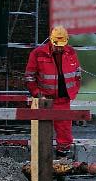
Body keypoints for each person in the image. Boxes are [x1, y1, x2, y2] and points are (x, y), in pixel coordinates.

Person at [25, 25, 81, 158]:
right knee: (42, 134)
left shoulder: (71, 52)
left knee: (65, 136)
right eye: (57, 44)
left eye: (62, 45)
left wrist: (73, 91)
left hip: (63, 100)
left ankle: (62, 164)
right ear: (51, 40)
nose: (59, 48)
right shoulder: (38, 53)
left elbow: (77, 73)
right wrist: (38, 94)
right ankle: (41, 164)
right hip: (44, 100)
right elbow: (29, 77)